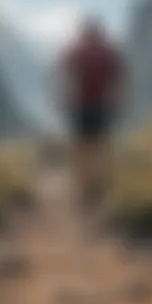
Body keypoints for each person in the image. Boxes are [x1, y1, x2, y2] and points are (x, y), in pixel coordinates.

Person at [57, 16, 124, 209]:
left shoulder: (76, 50)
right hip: (102, 106)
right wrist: (117, 102)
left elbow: (65, 76)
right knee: (99, 146)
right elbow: (118, 80)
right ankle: (96, 187)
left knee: (81, 147)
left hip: (79, 105)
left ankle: (82, 187)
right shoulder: (109, 52)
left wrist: (63, 100)